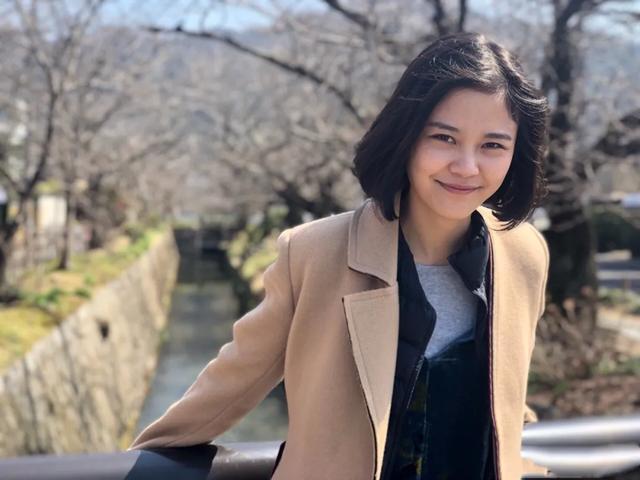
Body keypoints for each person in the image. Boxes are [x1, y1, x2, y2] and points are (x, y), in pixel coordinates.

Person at [130, 32, 550, 480]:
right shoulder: (316, 253)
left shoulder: (522, 254)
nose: (467, 166)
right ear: (406, 137)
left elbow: (507, 390)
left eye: (492, 145)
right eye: (444, 138)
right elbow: (230, 384)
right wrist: (136, 463)